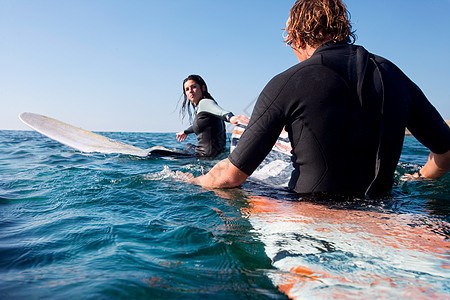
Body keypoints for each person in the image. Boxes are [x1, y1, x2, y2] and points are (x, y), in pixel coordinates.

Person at [179, 0, 450, 198]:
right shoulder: (393, 75)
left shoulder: (288, 81)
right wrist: (421, 177)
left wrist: (191, 182)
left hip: (311, 220)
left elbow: (230, 176)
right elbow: (446, 152)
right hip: (385, 213)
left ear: (296, 36)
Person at [176, 75, 243, 158]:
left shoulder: (205, 102)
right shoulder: (204, 107)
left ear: (203, 88)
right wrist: (185, 131)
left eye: (193, 87)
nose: (190, 91)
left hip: (203, 157)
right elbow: (199, 124)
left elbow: (221, 112)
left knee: (156, 152)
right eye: (187, 89)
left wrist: (231, 118)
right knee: (188, 146)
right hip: (217, 154)